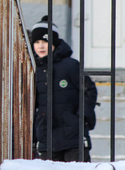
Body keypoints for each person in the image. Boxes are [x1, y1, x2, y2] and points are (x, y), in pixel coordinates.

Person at [31, 16, 98, 162]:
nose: (41, 46)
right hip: (46, 136)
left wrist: (82, 116)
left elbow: (89, 90)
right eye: (37, 42)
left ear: (54, 43)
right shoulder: (34, 69)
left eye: (45, 42)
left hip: (73, 135)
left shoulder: (70, 65)